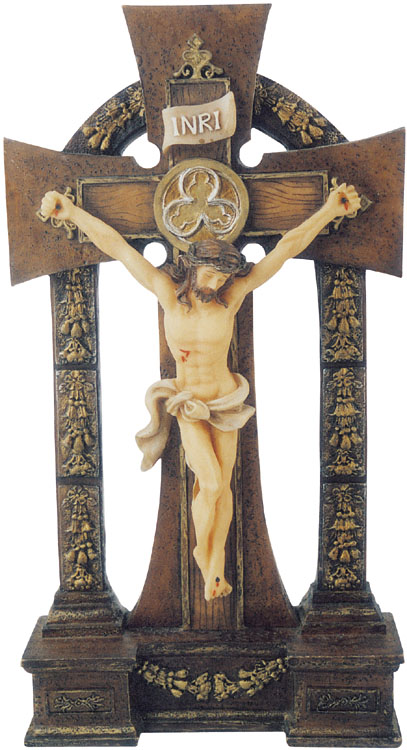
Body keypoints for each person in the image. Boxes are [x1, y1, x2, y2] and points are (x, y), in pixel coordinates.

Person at [40, 182, 361, 601]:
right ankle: (201, 553)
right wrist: (71, 213)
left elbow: (284, 250)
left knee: (223, 486)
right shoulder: (167, 296)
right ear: (192, 268)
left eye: (223, 276)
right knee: (208, 482)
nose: (217, 282)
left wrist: (329, 210)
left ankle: (216, 564)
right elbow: (118, 248)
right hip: (189, 403)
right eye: (210, 274)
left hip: (226, 400)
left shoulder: (231, 298)